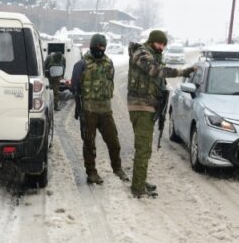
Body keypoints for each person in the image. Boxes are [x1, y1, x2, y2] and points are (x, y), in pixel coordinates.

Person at [126, 30, 194, 199]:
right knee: (143, 148)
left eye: (164, 44)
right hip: (140, 106)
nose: (162, 47)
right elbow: (155, 71)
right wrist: (182, 72)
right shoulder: (142, 54)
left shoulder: (152, 55)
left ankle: (140, 181)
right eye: (159, 43)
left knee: (145, 149)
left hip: (148, 107)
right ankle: (137, 188)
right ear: (152, 41)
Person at [72, 34, 129, 185]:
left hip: (105, 111)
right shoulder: (81, 64)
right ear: (92, 46)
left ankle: (117, 168)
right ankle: (91, 172)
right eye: (98, 47)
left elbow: (110, 83)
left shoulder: (109, 63)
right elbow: (74, 86)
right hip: (88, 111)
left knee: (114, 142)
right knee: (89, 143)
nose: (100, 50)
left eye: (103, 47)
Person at [45, 42, 67, 109]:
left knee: (55, 92)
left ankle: (55, 105)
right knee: (49, 92)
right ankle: (48, 105)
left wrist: (62, 75)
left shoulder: (62, 59)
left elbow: (64, 67)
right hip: (49, 77)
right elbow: (45, 66)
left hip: (56, 77)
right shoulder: (49, 57)